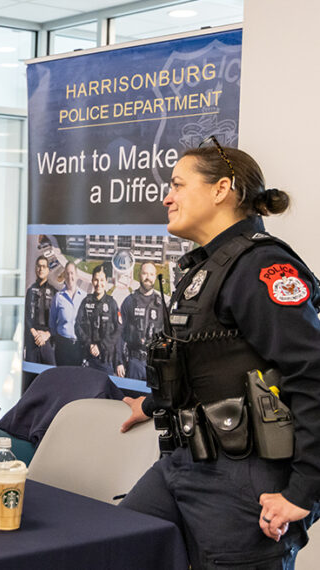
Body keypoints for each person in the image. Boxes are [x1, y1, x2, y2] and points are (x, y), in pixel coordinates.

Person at [120, 140, 320, 568]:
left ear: (221, 189)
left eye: (177, 184)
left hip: (242, 477)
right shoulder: (206, 267)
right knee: (117, 546)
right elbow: (211, 363)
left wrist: (304, 492)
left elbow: (313, 373)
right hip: (183, 462)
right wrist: (153, 404)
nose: (166, 196)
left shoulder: (261, 267)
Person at [117, 261, 164, 380]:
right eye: (145, 273)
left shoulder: (161, 304)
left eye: (151, 274)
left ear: (155, 277)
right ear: (139, 275)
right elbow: (119, 334)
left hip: (155, 364)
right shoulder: (130, 301)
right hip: (134, 363)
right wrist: (119, 361)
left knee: (153, 398)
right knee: (132, 396)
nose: (148, 277)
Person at [75, 264, 120, 374]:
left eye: (101, 280)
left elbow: (118, 330)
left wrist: (100, 346)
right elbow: (77, 326)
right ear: (92, 280)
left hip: (105, 360)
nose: (98, 284)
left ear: (106, 281)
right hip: (88, 358)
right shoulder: (86, 302)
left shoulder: (112, 304)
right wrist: (89, 344)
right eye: (96, 280)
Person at [22, 255, 58, 392]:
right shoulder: (30, 291)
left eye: (44, 266)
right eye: (38, 266)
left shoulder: (55, 292)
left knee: (52, 376)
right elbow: (26, 315)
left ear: (48, 270)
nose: (41, 269)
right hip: (33, 339)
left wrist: (46, 335)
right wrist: (34, 333)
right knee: (30, 380)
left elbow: (57, 320)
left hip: (47, 340)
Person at [48, 261, 85, 366]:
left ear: (77, 275)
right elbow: (52, 322)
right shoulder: (58, 297)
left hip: (79, 346)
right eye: (67, 273)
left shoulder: (84, 297)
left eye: (72, 273)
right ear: (64, 276)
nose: (70, 276)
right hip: (62, 346)